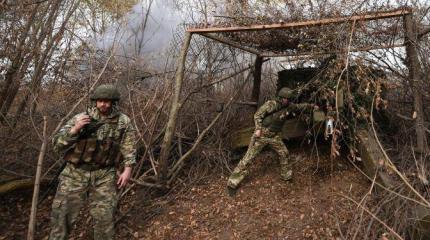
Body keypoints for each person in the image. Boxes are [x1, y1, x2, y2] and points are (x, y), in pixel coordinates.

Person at [49, 84, 137, 240]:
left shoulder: (123, 121)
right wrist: (75, 129)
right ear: (95, 101)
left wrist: (128, 169)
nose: (104, 104)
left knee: (105, 220)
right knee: (62, 217)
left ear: (114, 102)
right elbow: (57, 145)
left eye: (108, 101)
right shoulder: (81, 118)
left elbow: (128, 146)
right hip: (75, 173)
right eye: (101, 101)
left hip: (104, 175)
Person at [227, 87, 316, 195]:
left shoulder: (289, 107)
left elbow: (299, 107)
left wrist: (311, 106)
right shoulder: (271, 104)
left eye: (289, 99)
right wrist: (258, 129)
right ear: (281, 98)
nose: (288, 101)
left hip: (275, 136)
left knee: (284, 153)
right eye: (286, 99)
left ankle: (287, 177)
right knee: (248, 158)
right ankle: (232, 184)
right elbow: (257, 115)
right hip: (263, 135)